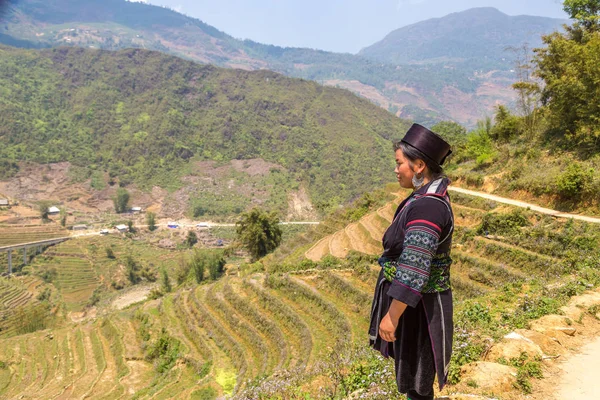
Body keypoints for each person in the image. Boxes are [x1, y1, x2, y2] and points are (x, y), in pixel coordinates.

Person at [369, 123, 454, 400]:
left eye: (399, 163)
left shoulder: (428, 206)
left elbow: (415, 266)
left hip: (418, 309)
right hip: (416, 305)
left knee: (418, 387)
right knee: (414, 383)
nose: (396, 170)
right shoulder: (423, 199)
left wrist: (392, 317)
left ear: (419, 165)